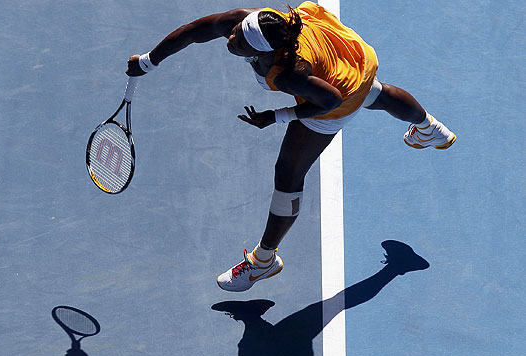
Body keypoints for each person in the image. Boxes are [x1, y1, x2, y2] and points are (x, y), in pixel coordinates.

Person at [126, 1, 455, 292]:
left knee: (288, 173)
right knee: (375, 92)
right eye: (237, 32)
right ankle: (430, 129)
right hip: (347, 54)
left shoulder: (289, 75)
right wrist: (148, 61)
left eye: (240, 41)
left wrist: (277, 116)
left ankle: (263, 260)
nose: (232, 38)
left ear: (263, 53)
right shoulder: (254, 23)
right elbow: (195, 30)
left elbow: (330, 100)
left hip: (336, 94)